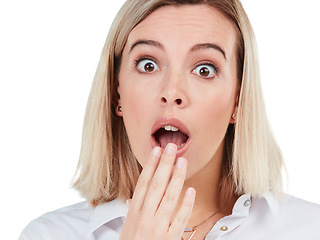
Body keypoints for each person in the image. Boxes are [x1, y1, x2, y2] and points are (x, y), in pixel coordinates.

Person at [19, 0, 320, 239]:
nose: (172, 92)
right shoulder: (49, 235)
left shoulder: (309, 230)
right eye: (148, 64)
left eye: (204, 69)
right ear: (116, 93)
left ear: (238, 102)